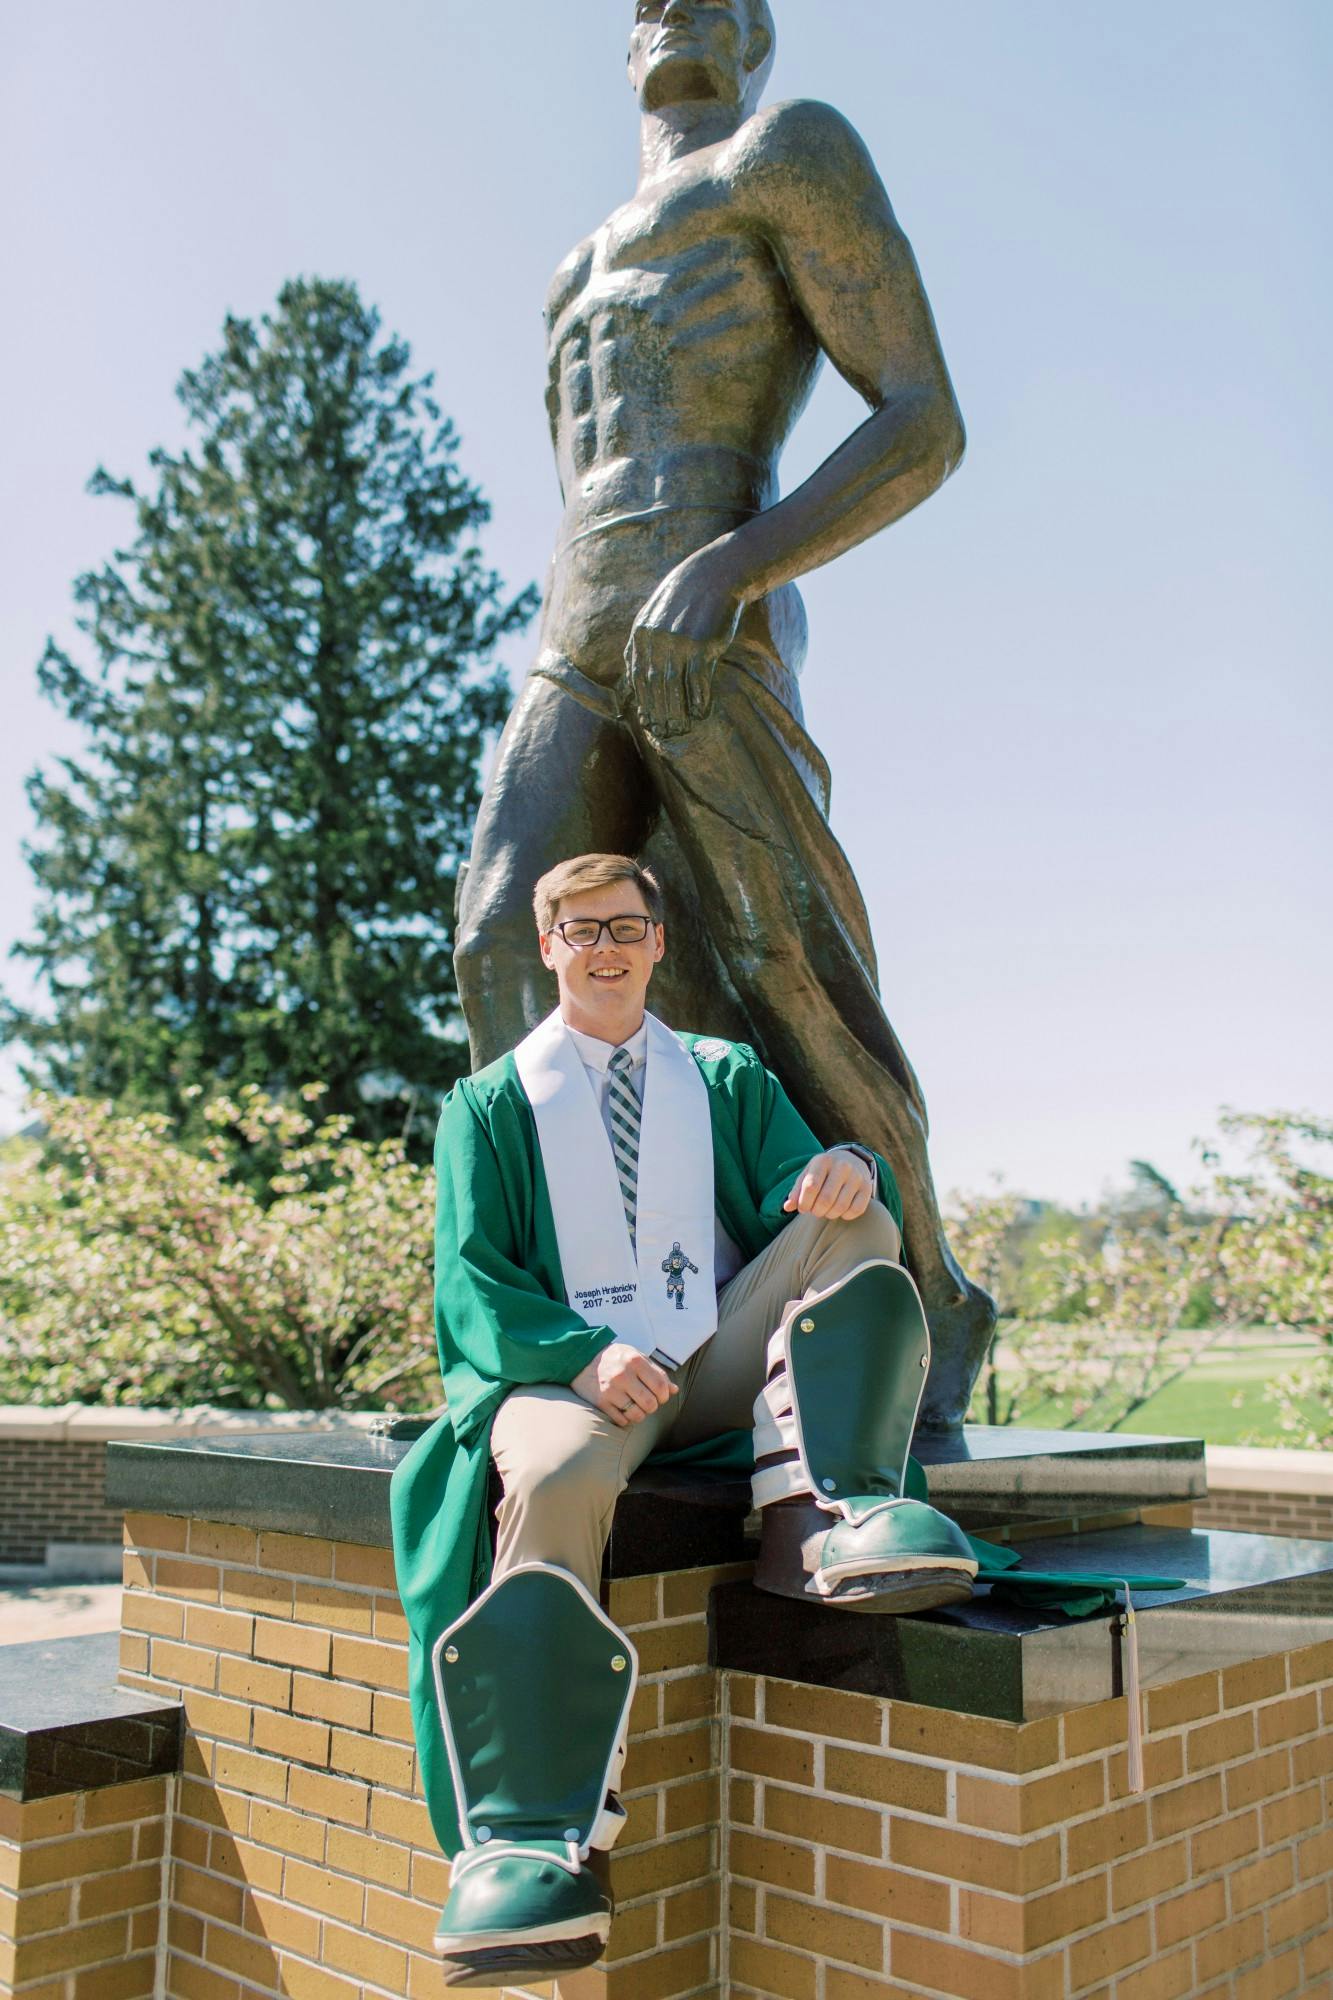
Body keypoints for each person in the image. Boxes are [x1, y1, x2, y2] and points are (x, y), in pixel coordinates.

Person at [453, 0, 995, 1427]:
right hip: (578, 634)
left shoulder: (787, 155)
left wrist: (738, 564)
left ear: (759, 32)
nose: (674, 10)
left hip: (715, 605)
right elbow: (582, 493)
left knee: (785, 970)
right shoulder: (570, 267)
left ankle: (922, 1310)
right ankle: (575, 1328)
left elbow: (920, 420)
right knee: (502, 927)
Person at [392, 852, 976, 1988]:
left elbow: (792, 1190)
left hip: (703, 1354)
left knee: (853, 1220)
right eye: (577, 928)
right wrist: (579, 1352)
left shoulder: (721, 1074)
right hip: (570, 1380)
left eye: (624, 925)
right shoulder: (491, 1102)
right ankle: (525, 1831)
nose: (603, 946)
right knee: (555, 1478)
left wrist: (850, 1168)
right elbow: (470, 1281)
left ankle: (836, 1511)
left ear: (658, 942)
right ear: (548, 945)